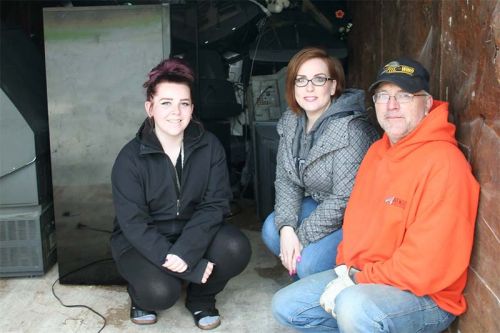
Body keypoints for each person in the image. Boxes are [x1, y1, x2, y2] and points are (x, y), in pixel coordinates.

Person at [271, 57, 480, 332]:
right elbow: (355, 224)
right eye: (383, 96)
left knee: (354, 308)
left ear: (427, 103)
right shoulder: (378, 151)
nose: (391, 106)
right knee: (286, 305)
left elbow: (424, 268)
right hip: (366, 276)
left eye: (404, 96)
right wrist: (346, 269)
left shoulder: (445, 164)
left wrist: (356, 280)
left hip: (425, 295)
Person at [110, 58, 251, 330]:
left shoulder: (209, 147)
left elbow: (215, 205)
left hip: (193, 230)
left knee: (235, 247)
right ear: (149, 108)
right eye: (166, 103)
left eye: (183, 103)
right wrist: (190, 267)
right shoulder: (130, 159)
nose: (176, 112)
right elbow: (134, 224)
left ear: (192, 108)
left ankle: (201, 298)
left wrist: (187, 251)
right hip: (141, 241)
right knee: (161, 292)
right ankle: (140, 297)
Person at [261, 47, 379, 279]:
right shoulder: (292, 121)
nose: (309, 88)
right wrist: (287, 230)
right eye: (301, 80)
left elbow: (345, 198)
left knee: (308, 263)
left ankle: (316, 287)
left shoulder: (351, 129)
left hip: (356, 217)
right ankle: (302, 277)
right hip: (321, 205)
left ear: (333, 86)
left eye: (319, 79)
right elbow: (286, 179)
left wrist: (300, 237)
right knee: (272, 230)